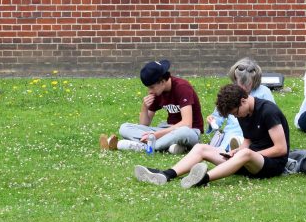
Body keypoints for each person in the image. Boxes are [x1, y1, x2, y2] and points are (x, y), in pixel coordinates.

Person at [134, 83, 290, 188]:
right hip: (246, 160)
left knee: (247, 153)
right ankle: (167, 174)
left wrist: (245, 153)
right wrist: (236, 152)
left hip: (271, 164)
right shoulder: (243, 112)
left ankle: (202, 179)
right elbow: (249, 139)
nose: (236, 117)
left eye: (235, 113)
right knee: (201, 147)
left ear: (243, 101)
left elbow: (281, 149)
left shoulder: (268, 111)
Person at [108, 60, 204, 154]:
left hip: (190, 131)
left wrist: (156, 135)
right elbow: (144, 124)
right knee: (124, 128)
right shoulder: (158, 91)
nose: (149, 91)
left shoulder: (182, 87)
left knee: (183, 132)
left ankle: (143, 147)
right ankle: (170, 147)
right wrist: (144, 106)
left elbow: (187, 124)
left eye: (151, 87)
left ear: (162, 82)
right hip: (167, 129)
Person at [205, 58, 275, 151]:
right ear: (234, 79)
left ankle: (237, 147)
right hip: (232, 132)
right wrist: (213, 121)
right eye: (240, 83)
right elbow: (219, 115)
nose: (243, 87)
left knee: (249, 143)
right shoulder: (230, 91)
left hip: (254, 134)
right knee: (230, 142)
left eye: (247, 84)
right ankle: (231, 147)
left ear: (255, 80)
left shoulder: (264, 92)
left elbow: (272, 117)